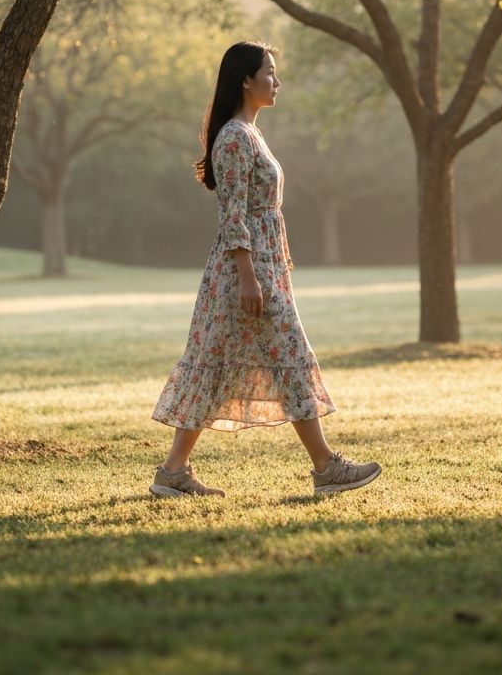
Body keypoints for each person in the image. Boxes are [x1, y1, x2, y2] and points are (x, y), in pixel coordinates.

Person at [150, 41, 382, 497]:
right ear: (246, 80)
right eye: (270, 73)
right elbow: (233, 212)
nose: (277, 82)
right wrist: (250, 277)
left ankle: (174, 472)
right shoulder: (235, 137)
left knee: (219, 365)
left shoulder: (249, 134)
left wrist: (275, 268)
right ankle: (327, 468)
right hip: (245, 275)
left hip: (262, 269)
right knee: (286, 359)